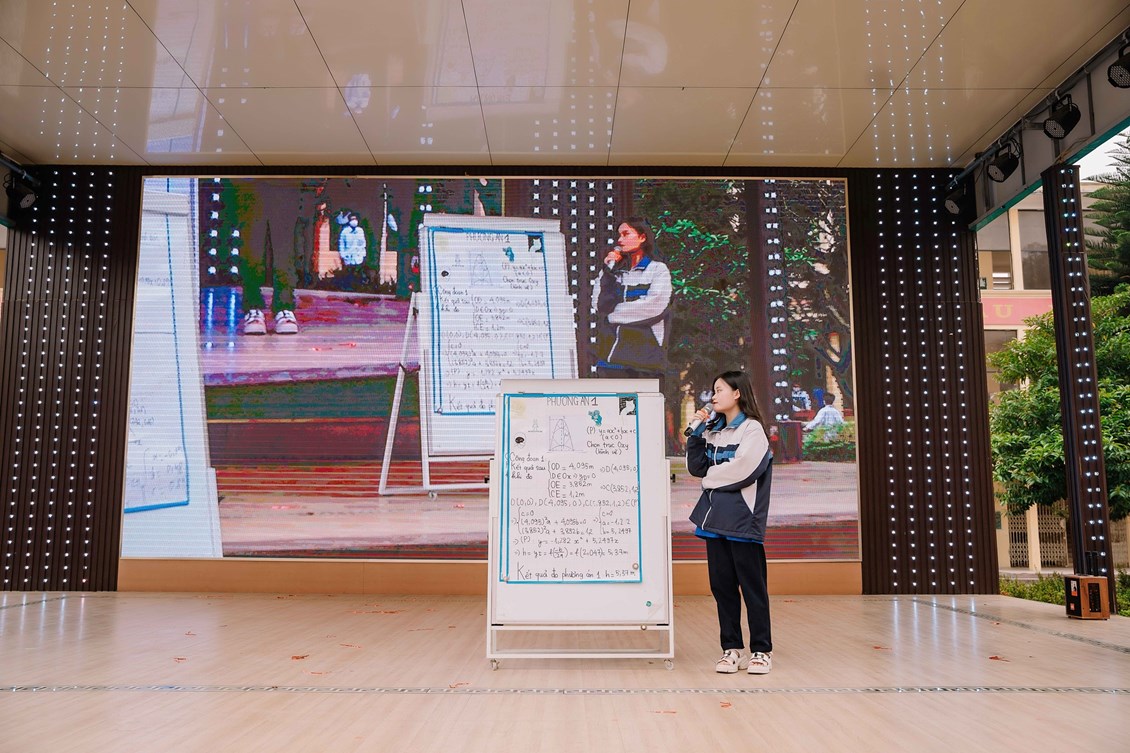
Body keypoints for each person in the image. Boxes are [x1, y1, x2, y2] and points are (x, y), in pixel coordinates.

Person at [687, 370, 774, 675]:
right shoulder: (714, 431)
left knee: (752, 589)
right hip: (714, 521)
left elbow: (744, 470)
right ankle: (732, 649)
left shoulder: (752, 430)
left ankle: (761, 650)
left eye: (719, 390)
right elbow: (697, 468)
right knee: (722, 588)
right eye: (713, 391)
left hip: (742, 521)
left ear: (737, 393)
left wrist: (710, 479)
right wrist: (697, 434)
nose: (713, 396)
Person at [591, 218, 672, 382]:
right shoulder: (614, 273)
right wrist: (608, 271)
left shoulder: (657, 270)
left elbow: (653, 306)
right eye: (619, 235)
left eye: (626, 234)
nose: (620, 240)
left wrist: (613, 315)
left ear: (642, 237)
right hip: (610, 360)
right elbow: (599, 305)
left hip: (644, 361)